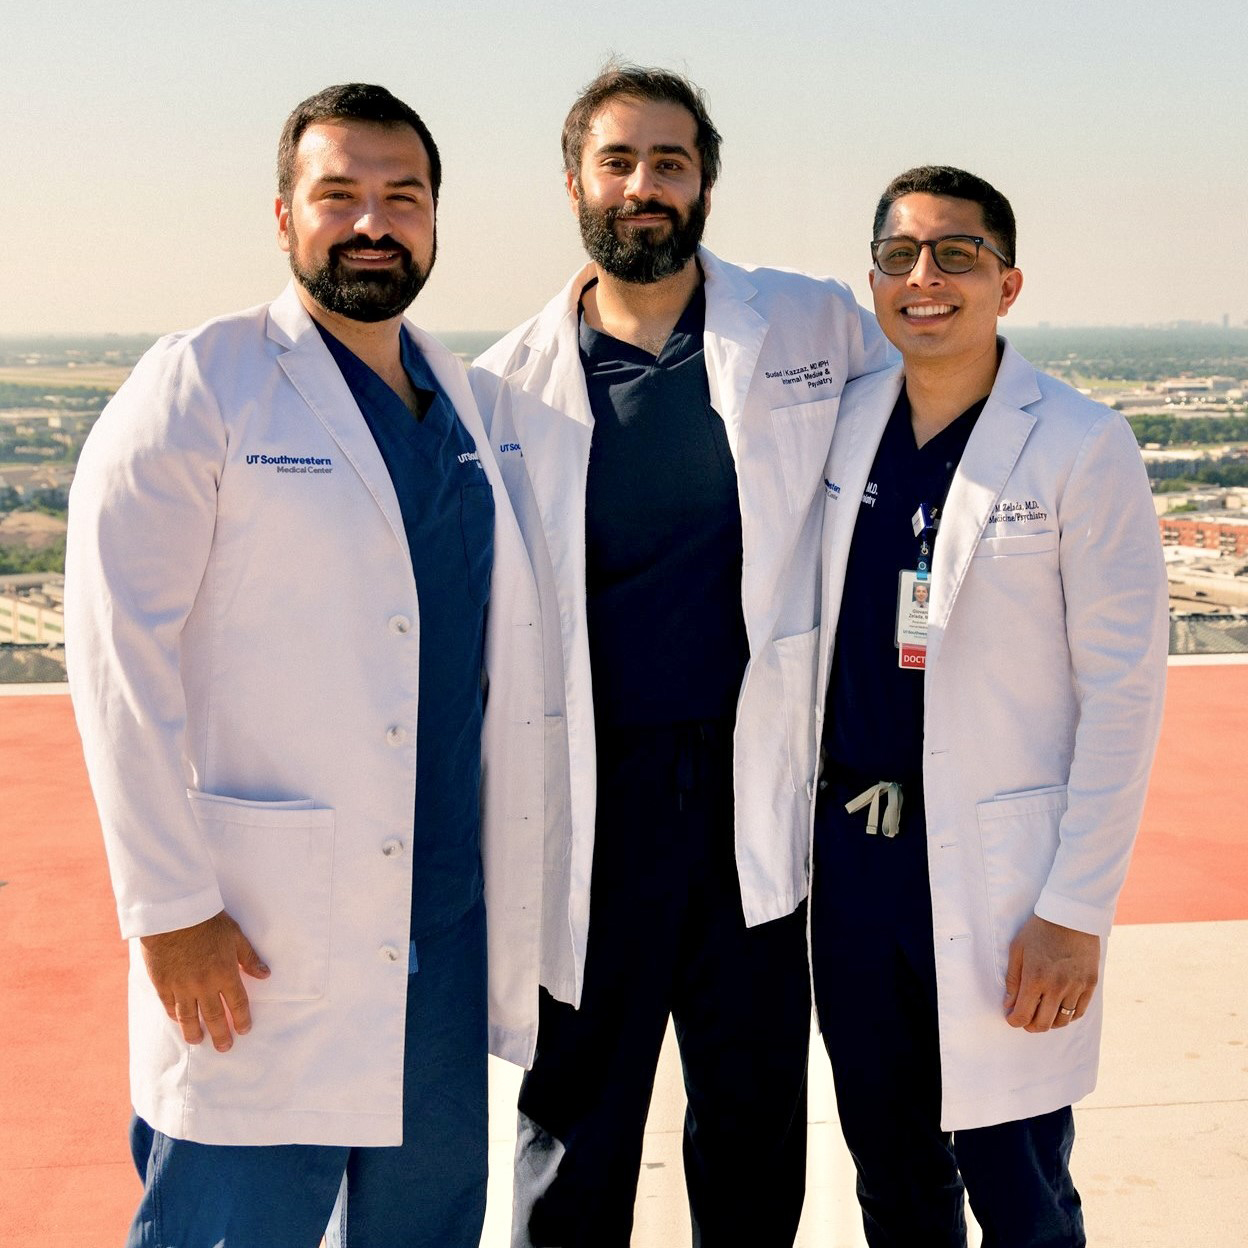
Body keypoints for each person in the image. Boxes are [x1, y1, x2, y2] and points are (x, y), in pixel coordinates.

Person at [65, 83, 543, 1248]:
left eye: (403, 196)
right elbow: (117, 657)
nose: (373, 221)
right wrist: (170, 909)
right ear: (284, 216)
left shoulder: (469, 406)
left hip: (440, 928)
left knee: (424, 1230)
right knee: (233, 1229)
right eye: (340, 195)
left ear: (435, 221)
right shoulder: (203, 385)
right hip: (254, 935)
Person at [470, 62, 889, 1247]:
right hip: (593, 803)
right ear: (574, 185)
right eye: (620, 161)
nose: (645, 186)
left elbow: (922, 426)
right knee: (577, 1120)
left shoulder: (810, 326)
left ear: (706, 183)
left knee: (753, 1117)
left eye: (670, 162)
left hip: (753, 788)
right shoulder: (507, 388)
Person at [810, 166, 1168, 1246]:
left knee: (1017, 1187)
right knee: (892, 1174)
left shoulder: (1078, 443)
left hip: (1004, 878)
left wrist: (1074, 912)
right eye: (899, 256)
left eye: (956, 254)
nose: (925, 278)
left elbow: (1123, 694)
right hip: (853, 869)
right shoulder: (840, 427)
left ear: (1007, 283)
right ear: (872, 283)